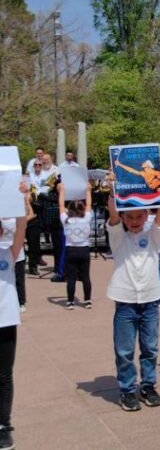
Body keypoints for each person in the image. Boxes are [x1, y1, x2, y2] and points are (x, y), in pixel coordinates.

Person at [105, 170, 160, 412]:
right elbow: (112, 213)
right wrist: (113, 188)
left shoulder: (153, 236)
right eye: (129, 217)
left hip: (151, 301)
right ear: (123, 218)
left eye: (138, 216)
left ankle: (148, 385)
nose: (134, 221)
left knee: (150, 348)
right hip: (125, 302)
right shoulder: (118, 237)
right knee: (124, 350)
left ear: (146, 215)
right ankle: (127, 390)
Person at [0, 181, 28, 449]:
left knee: (4, 375)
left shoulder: (8, 253)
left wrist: (20, 199)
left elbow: (21, 227)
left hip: (5, 321)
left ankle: (3, 425)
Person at [58, 181, 94, 310]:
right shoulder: (87, 218)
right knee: (85, 276)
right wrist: (88, 191)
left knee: (71, 278)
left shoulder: (66, 220)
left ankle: (70, 301)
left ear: (69, 210)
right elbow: (89, 204)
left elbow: (61, 204)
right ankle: (87, 300)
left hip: (70, 250)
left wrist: (61, 191)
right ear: (83, 209)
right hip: (84, 250)